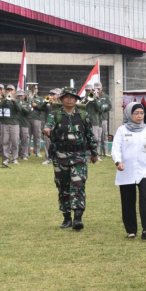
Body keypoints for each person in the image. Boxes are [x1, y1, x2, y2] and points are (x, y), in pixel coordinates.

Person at [43, 87, 99, 230]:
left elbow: (90, 135)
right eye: (66, 97)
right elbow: (48, 126)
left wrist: (94, 153)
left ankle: (78, 218)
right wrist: (47, 130)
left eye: (72, 97)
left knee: (78, 184)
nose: (69, 99)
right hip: (60, 157)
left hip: (79, 156)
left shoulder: (83, 115)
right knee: (63, 187)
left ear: (76, 99)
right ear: (61, 99)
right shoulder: (55, 115)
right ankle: (67, 217)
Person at [112, 102, 146, 239]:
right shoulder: (122, 130)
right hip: (126, 170)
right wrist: (118, 162)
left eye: (142, 113)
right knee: (128, 200)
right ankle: (131, 230)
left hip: (145, 169)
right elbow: (116, 149)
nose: (140, 116)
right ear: (129, 114)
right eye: (136, 113)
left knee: (145, 196)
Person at [94, 82, 111, 156]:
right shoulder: (93, 96)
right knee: (97, 136)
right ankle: (97, 152)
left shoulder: (106, 96)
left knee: (104, 135)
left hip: (103, 118)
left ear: (101, 88)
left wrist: (102, 108)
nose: (98, 90)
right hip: (96, 119)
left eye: (99, 88)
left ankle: (105, 152)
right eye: (96, 88)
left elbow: (109, 106)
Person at [17, 90, 32, 161]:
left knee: (25, 140)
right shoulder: (15, 103)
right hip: (16, 124)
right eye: (18, 96)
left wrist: (21, 106)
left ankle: (24, 154)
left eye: (21, 96)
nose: (19, 97)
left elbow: (28, 111)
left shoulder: (27, 103)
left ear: (24, 96)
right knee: (15, 140)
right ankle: (16, 154)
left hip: (24, 124)